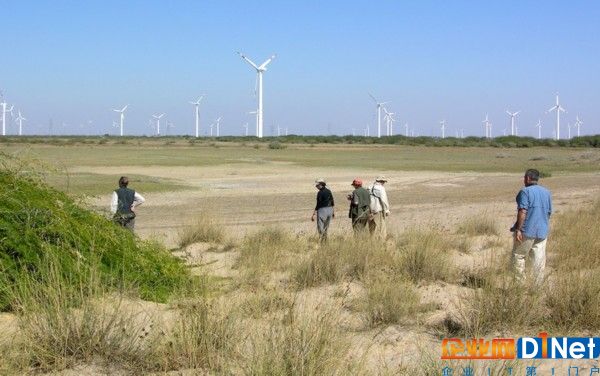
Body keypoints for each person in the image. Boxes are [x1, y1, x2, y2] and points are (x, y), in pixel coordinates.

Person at [510, 169, 552, 284]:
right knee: (538, 260)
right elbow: (549, 212)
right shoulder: (547, 192)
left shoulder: (525, 192)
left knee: (518, 256)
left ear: (528, 178)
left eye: (524, 178)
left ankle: (519, 286)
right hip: (542, 231)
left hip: (527, 231)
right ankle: (537, 287)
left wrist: (518, 229)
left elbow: (522, 211)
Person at [311, 178, 335, 243]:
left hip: (322, 210)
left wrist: (314, 214)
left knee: (320, 227)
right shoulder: (329, 191)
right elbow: (332, 201)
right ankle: (325, 241)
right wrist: (333, 212)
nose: (316, 186)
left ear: (321, 185)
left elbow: (318, 204)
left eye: (317, 185)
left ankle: (322, 241)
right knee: (326, 227)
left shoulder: (320, 193)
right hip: (330, 210)